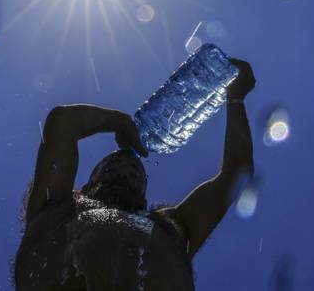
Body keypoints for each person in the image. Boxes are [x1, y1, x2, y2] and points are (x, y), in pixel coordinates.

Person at [14, 59, 256, 290]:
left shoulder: (173, 226)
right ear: (86, 186)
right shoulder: (55, 204)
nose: (125, 172)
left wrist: (236, 99)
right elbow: (63, 122)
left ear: (143, 198)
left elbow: (236, 173)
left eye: (134, 173)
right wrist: (120, 122)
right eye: (112, 167)